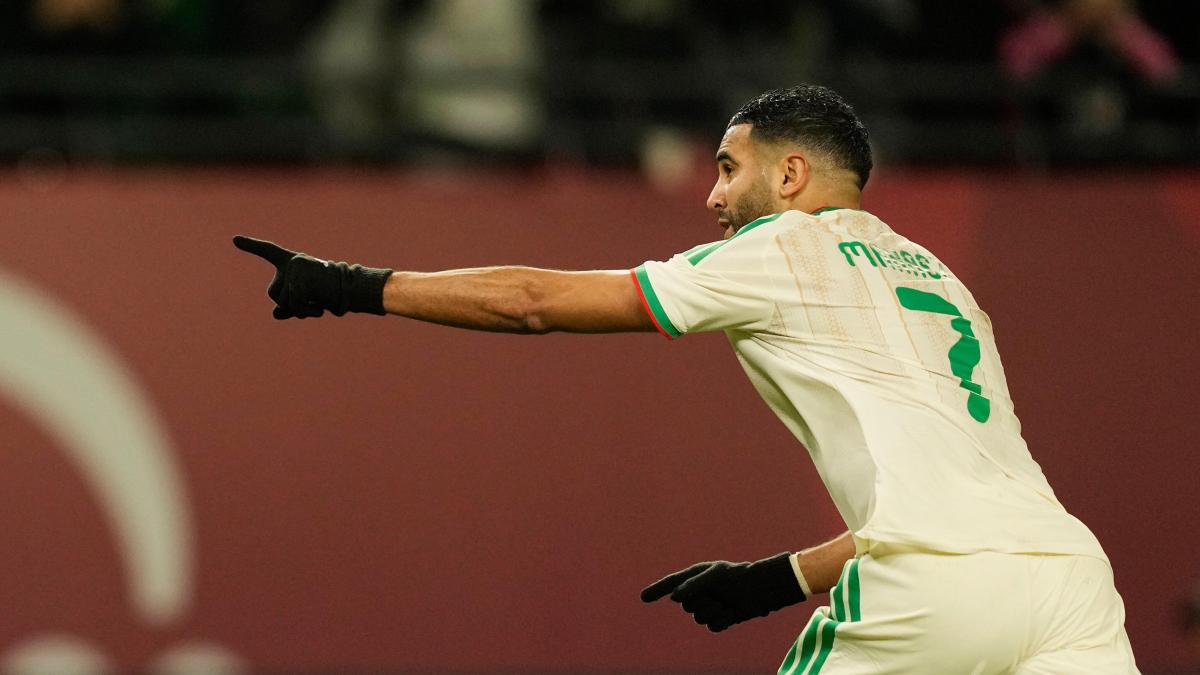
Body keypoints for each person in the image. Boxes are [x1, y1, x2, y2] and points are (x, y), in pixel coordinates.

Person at [234, 85, 1138, 674]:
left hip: (932, 592)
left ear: (791, 174)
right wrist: (781, 578)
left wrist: (351, 286)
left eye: (728, 168)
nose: (712, 196)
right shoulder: (941, 280)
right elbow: (958, 509)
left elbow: (535, 303)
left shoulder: (781, 247)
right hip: (1072, 581)